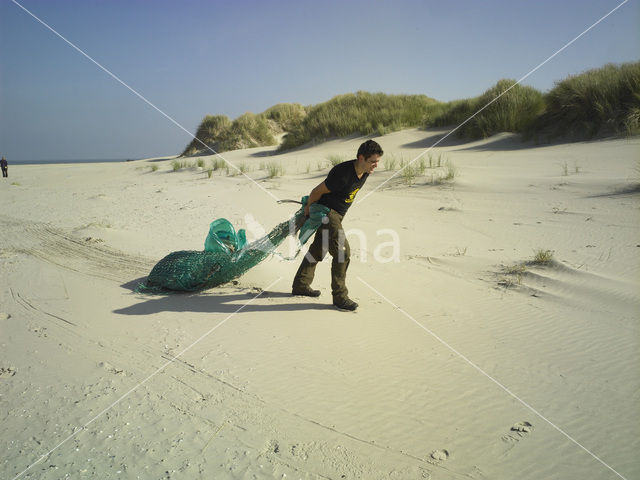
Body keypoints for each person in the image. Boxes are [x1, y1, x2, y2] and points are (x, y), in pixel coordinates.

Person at [292, 139, 383, 311]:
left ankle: (300, 285)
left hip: (337, 216)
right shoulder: (342, 173)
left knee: (318, 250)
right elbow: (316, 192)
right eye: (373, 161)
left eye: (377, 161)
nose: (375, 165)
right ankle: (340, 297)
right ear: (361, 158)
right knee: (343, 253)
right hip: (326, 212)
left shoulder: (365, 172)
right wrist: (307, 212)